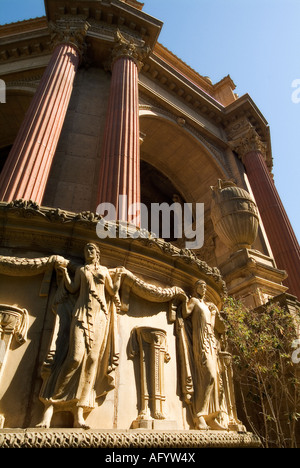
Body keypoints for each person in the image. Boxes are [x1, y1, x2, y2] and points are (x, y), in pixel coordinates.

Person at [37, 243, 122, 429]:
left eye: (91, 250)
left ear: (98, 253)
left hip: (100, 316)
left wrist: (120, 278)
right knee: (74, 358)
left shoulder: (105, 270)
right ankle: (51, 404)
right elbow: (73, 288)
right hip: (81, 314)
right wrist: (64, 272)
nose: (88, 252)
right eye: (86, 250)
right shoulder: (82, 270)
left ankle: (79, 412)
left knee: (92, 360)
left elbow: (112, 291)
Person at [181, 279, 226, 430]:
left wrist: (213, 314)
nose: (204, 289)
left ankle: (211, 416)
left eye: (206, 287)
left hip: (210, 340)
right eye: (201, 286)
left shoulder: (207, 306)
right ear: (196, 288)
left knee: (215, 377)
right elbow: (185, 312)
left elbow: (211, 326)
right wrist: (181, 297)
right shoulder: (194, 301)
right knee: (209, 375)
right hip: (200, 341)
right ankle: (198, 415)